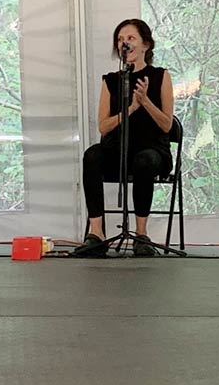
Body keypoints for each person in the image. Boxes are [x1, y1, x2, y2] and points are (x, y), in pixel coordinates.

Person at [74, 19, 175, 257]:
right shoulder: (111, 81)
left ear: (146, 45)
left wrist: (145, 102)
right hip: (117, 150)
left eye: (130, 38)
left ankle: (141, 234)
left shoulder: (160, 76)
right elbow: (103, 126)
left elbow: (166, 124)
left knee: (145, 160)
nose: (124, 43)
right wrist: (129, 109)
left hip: (152, 150)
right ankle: (96, 232)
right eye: (120, 39)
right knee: (92, 155)